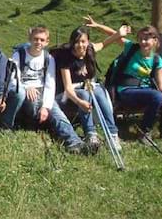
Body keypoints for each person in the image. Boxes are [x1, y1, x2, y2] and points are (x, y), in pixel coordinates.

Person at [52, 20, 127, 152]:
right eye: (77, 42)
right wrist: (80, 102)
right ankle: (90, 134)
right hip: (68, 94)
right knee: (85, 94)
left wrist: (118, 34)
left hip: (88, 87)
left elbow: (105, 43)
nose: (80, 45)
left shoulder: (90, 49)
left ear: (88, 42)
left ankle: (112, 134)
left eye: (83, 41)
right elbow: (68, 89)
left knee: (99, 91)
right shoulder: (66, 58)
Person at [12, 26, 88, 153]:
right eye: (35, 39)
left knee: (55, 109)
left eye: (42, 40)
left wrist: (46, 107)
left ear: (47, 42)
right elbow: (13, 79)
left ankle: (74, 143)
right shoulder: (18, 55)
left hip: (43, 92)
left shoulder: (48, 58)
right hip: (24, 91)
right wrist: (26, 87)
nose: (38, 43)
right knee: (33, 100)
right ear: (30, 39)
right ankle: (39, 124)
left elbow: (50, 84)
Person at [106, 23, 162, 147]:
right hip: (125, 90)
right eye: (140, 39)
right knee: (156, 96)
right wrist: (97, 25)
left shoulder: (157, 60)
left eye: (146, 39)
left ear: (155, 40)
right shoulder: (131, 48)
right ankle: (144, 132)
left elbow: (160, 85)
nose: (142, 42)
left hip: (146, 93)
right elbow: (113, 34)